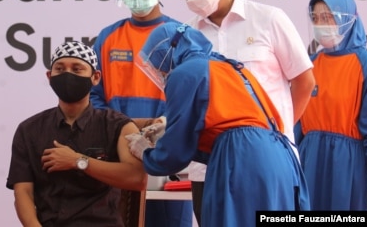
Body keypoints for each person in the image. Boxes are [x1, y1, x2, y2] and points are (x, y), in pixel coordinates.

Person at [164, 0, 315, 223]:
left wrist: (274, 136)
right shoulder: (187, 37)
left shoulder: (268, 19)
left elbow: (304, 81)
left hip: (266, 165)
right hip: (208, 169)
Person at [126, 23, 309, 227]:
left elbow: (174, 154)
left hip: (243, 160)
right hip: (280, 160)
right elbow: (226, 123)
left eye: (159, 65)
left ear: (167, 52)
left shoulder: (185, 73)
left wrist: (147, 153)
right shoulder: (230, 67)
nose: (161, 73)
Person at [90, 0, 193, 227]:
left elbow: (192, 99)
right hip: (118, 154)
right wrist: (122, 128)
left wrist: (161, 127)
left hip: (167, 152)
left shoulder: (181, 36)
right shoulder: (108, 37)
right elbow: (94, 97)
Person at [6, 41, 147, 227]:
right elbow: (22, 191)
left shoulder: (119, 126)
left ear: (95, 77)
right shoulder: (29, 130)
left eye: (77, 68)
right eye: (60, 68)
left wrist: (79, 161)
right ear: (49, 76)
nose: (67, 74)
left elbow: (137, 179)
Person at [295, 0, 367, 210]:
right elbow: (294, 124)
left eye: (328, 17)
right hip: (309, 163)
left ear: (348, 18)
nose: (321, 24)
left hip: (349, 167)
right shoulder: (309, 65)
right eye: (316, 18)